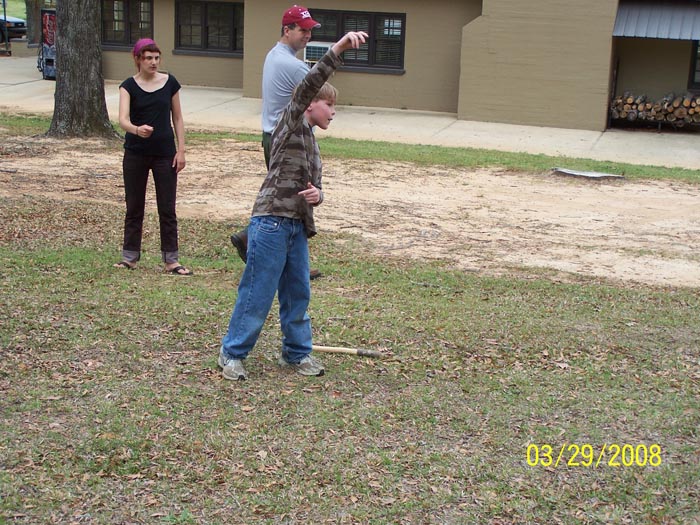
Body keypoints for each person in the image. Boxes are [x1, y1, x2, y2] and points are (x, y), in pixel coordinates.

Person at [218, 30, 369, 381]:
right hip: (270, 223)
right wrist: (340, 48)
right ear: (310, 103)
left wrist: (319, 195)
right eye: (329, 104)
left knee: (298, 293)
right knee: (257, 294)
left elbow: (314, 188)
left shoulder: (312, 143)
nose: (333, 112)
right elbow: (309, 81)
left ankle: (297, 354)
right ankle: (232, 354)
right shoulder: (288, 123)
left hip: (295, 228)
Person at [230, 5, 322, 280]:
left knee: (282, 201)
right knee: (291, 205)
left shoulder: (274, 55)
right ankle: (255, 242)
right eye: (303, 30)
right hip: (286, 143)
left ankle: (266, 248)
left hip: (272, 137)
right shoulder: (293, 65)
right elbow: (319, 94)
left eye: (309, 30)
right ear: (287, 30)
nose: (307, 35)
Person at [114, 38, 192, 276]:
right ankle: (130, 257)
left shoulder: (170, 83)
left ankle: (171, 260)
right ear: (138, 59)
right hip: (136, 153)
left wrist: (181, 150)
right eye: (148, 58)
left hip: (165, 154)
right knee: (134, 206)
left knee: (167, 208)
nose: (153, 62)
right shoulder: (128, 86)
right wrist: (136, 129)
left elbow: (177, 118)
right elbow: (123, 119)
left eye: (156, 58)